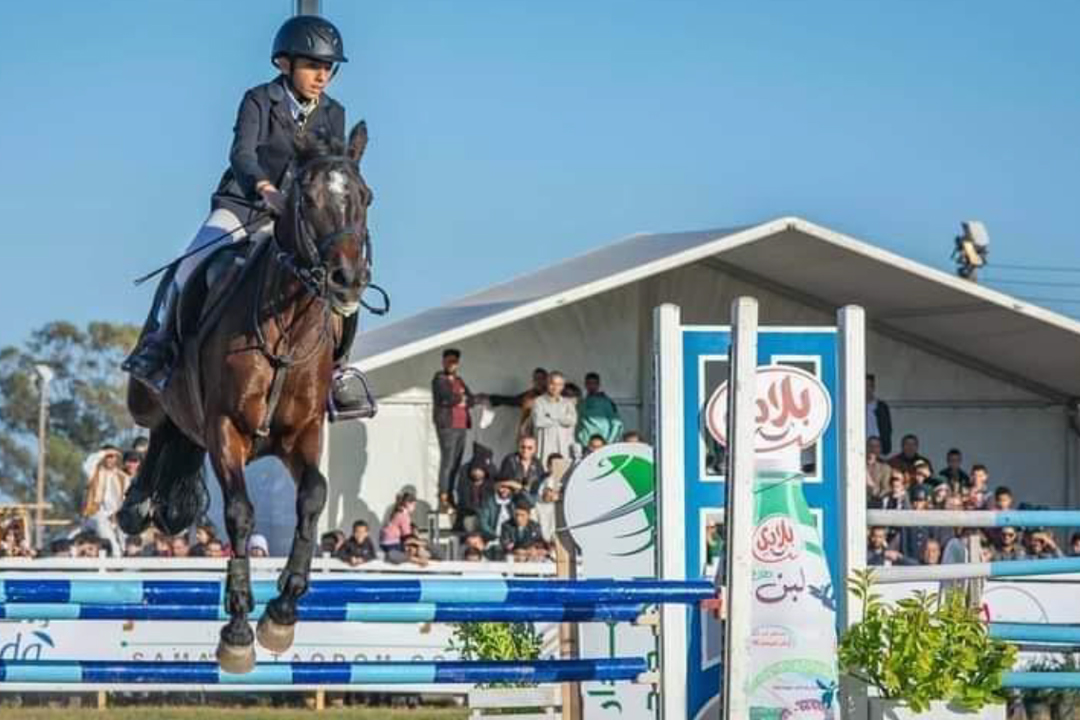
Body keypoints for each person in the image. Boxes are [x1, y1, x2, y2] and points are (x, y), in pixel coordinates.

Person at [120, 16, 371, 420]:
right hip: (245, 206)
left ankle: (338, 370)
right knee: (191, 263)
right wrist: (265, 190)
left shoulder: (334, 113)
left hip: (300, 221)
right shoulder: (258, 99)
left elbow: (330, 171)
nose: (321, 76)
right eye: (312, 65)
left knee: (346, 280)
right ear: (285, 64)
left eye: (328, 68)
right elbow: (243, 155)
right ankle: (159, 347)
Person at [432, 349, 475, 511]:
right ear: (443, 362)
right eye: (449, 361)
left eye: (454, 361)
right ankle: (443, 495)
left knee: (456, 462)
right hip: (447, 426)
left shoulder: (459, 380)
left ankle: (451, 496)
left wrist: (463, 399)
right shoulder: (439, 379)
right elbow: (446, 398)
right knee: (447, 461)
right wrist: (460, 398)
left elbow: (471, 399)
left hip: (461, 425)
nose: (451, 364)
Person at [81, 446, 130, 557]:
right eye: (107, 456)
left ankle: (125, 552)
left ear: (116, 459)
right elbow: (87, 464)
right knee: (101, 522)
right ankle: (116, 554)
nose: (110, 459)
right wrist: (104, 452)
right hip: (94, 514)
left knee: (125, 523)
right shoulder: (94, 472)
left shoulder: (123, 477)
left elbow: (126, 500)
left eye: (112, 456)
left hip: (115, 515)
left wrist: (117, 513)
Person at [489, 368, 549, 441]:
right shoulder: (529, 395)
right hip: (530, 435)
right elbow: (512, 401)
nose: (538, 381)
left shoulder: (554, 396)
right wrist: (491, 399)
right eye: (535, 379)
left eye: (541, 378)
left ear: (547, 380)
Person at [532, 371, 577, 465]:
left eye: (559, 384)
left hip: (564, 446)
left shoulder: (568, 403)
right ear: (547, 384)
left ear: (563, 386)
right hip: (545, 446)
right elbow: (538, 421)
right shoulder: (539, 401)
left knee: (564, 473)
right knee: (544, 472)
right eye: (552, 383)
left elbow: (571, 421)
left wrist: (550, 416)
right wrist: (561, 418)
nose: (555, 387)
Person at [575, 372, 624, 447]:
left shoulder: (606, 402)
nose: (591, 386)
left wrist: (609, 442)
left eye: (594, 383)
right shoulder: (581, 403)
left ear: (598, 385)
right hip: (585, 445)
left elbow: (616, 423)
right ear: (585, 384)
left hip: (602, 443)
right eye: (589, 383)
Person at [478, 479, 521, 543]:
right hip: (492, 537)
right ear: (497, 488)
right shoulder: (488, 502)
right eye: (502, 487)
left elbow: (531, 503)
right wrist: (496, 536)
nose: (505, 490)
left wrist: (520, 488)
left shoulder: (513, 502)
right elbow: (483, 524)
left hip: (510, 539)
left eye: (508, 488)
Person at [866, 374, 893, 455]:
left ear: (873, 387)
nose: (866, 389)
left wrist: (885, 446)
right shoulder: (853, 406)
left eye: (869, 386)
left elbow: (887, 429)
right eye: (864, 386)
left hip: (878, 448)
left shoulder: (881, 406)